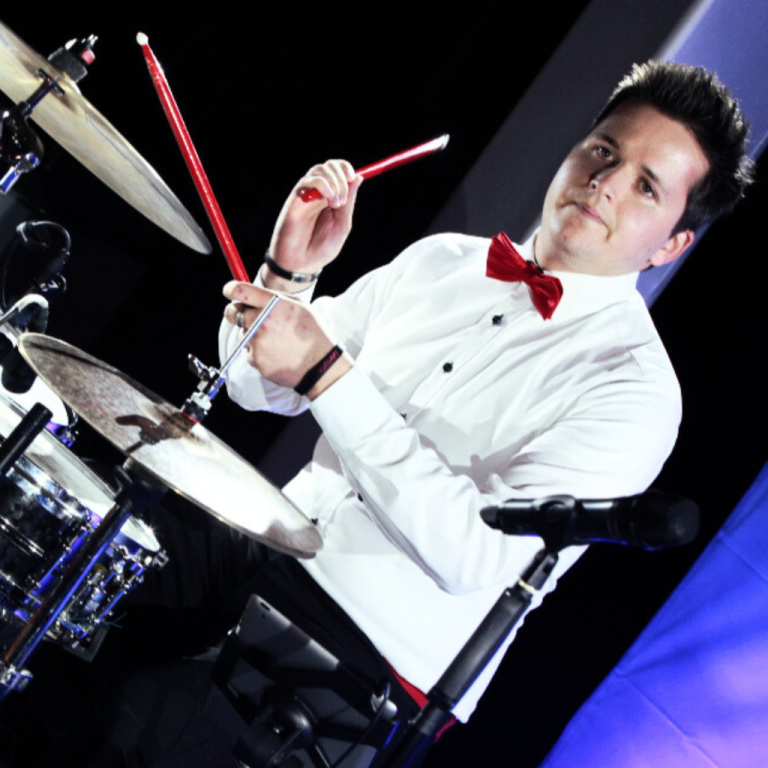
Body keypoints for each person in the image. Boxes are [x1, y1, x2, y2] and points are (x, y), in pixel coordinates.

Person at [218, 60, 753, 726]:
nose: (606, 182)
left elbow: (476, 553)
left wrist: (327, 374)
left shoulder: (635, 391)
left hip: (367, 665)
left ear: (670, 246)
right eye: (604, 152)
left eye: (646, 186)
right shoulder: (442, 259)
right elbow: (250, 385)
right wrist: (288, 274)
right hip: (259, 548)